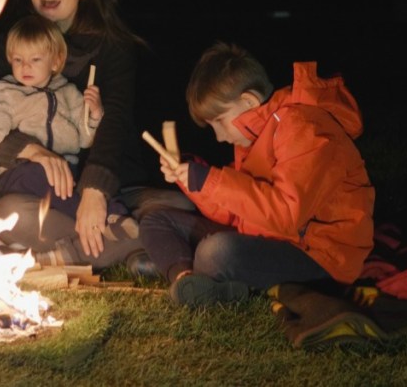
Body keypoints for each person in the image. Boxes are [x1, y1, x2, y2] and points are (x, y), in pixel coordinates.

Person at [0, 0, 193, 271]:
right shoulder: (17, 42)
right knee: (8, 212)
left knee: (177, 206)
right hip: (39, 188)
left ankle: (85, 249)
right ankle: (129, 245)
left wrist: (95, 190)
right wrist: (30, 150)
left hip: (114, 183)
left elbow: (114, 121)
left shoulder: (112, 46)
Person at [140, 42, 375, 306]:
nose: (218, 137)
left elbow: (286, 215)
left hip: (320, 258)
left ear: (249, 101)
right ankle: (187, 279)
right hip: (266, 238)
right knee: (156, 221)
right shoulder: (254, 136)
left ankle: (198, 272)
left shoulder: (304, 127)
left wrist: (209, 180)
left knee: (215, 252)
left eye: (219, 121)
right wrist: (191, 178)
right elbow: (236, 211)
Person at [0, 15, 130, 265]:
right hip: (22, 172)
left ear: (56, 61)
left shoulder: (69, 93)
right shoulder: (5, 93)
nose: (25, 67)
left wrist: (94, 114)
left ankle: (94, 228)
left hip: (66, 171)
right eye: (18, 60)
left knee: (81, 186)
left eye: (35, 60)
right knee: (39, 178)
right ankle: (110, 221)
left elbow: (84, 138)